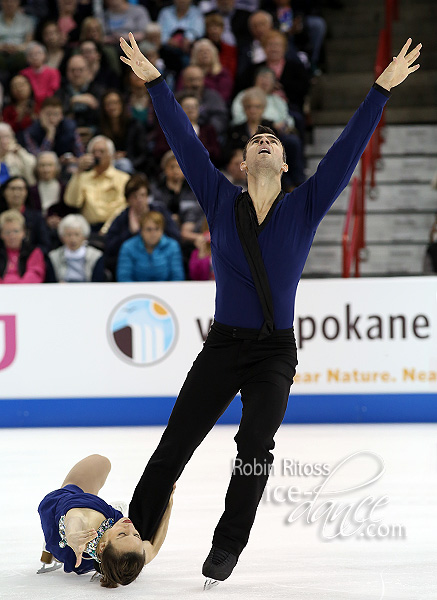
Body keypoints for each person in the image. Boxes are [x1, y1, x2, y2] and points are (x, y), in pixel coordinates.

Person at [120, 32, 421, 584]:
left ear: (283, 165)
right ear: (241, 164)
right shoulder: (218, 200)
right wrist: (157, 82)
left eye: (273, 140)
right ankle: (131, 534)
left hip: (275, 354)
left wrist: (380, 90)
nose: (264, 140)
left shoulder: (305, 205)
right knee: (176, 442)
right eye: (255, 139)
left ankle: (228, 544)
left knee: (255, 445)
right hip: (224, 345)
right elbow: (183, 141)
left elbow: (346, 151)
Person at [38, 454, 174, 587]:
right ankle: (58, 549)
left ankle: (53, 545)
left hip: (64, 513)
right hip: (86, 554)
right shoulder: (131, 554)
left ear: (102, 547)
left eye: (122, 534)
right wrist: (169, 504)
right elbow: (153, 547)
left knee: (101, 462)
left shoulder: (90, 522)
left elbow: (75, 518)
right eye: (136, 535)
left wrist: (71, 535)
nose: (130, 527)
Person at [105, 173, 180, 277]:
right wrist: (131, 233)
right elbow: (110, 247)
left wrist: (156, 237)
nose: (139, 200)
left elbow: (175, 236)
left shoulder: (160, 211)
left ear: (148, 196)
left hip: (162, 261)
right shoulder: (122, 218)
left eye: (142, 195)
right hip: (131, 264)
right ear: (128, 200)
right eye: (134, 196)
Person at [64, 135, 130, 235]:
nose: (97, 155)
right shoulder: (82, 177)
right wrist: (78, 172)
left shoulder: (123, 179)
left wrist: (106, 228)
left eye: (101, 151)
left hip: (116, 228)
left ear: (111, 155)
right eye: (93, 152)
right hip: (89, 230)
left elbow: (124, 208)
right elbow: (72, 202)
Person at [116, 210, 184, 282]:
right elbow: (124, 278)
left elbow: (177, 277)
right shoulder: (128, 247)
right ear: (141, 231)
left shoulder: (173, 246)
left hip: (166, 291)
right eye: (149, 229)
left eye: (157, 229)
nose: (153, 233)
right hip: (136, 292)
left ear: (162, 230)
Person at [46, 214, 105, 282]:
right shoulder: (54, 256)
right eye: (69, 235)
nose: (73, 239)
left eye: (77, 234)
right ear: (62, 237)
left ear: (84, 236)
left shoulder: (96, 256)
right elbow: (51, 282)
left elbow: (98, 282)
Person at [0, 174, 51, 253]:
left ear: (26, 192)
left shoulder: (37, 218)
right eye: (12, 189)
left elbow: (45, 245)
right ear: (4, 192)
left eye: (20, 189)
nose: (16, 193)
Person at [0, 208, 45, 283]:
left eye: (16, 231)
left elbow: (35, 274)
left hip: (26, 292)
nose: (12, 236)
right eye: (7, 232)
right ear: (1, 234)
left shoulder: (34, 251)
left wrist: (18, 289)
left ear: (23, 232)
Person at [19, 42, 61, 112]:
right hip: (29, 107)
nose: (35, 57)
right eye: (31, 54)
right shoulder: (23, 73)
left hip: (49, 106)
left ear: (45, 55)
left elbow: (54, 90)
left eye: (38, 53)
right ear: (27, 58)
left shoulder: (54, 72)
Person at [189, 37, 233, 103]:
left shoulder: (222, 73)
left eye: (208, 51)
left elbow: (224, 96)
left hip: (215, 106)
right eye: (201, 51)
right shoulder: (188, 73)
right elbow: (182, 92)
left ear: (214, 54)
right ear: (195, 55)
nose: (205, 53)